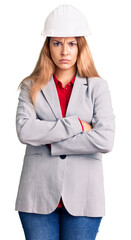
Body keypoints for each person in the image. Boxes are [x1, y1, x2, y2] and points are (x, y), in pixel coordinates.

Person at [15, 4, 115, 240]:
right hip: (36, 195)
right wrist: (77, 125)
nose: (64, 51)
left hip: (84, 196)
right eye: (57, 43)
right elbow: (25, 131)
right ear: (48, 46)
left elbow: (105, 139)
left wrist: (51, 142)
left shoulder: (97, 86)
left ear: (81, 46)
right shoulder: (31, 85)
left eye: (71, 43)